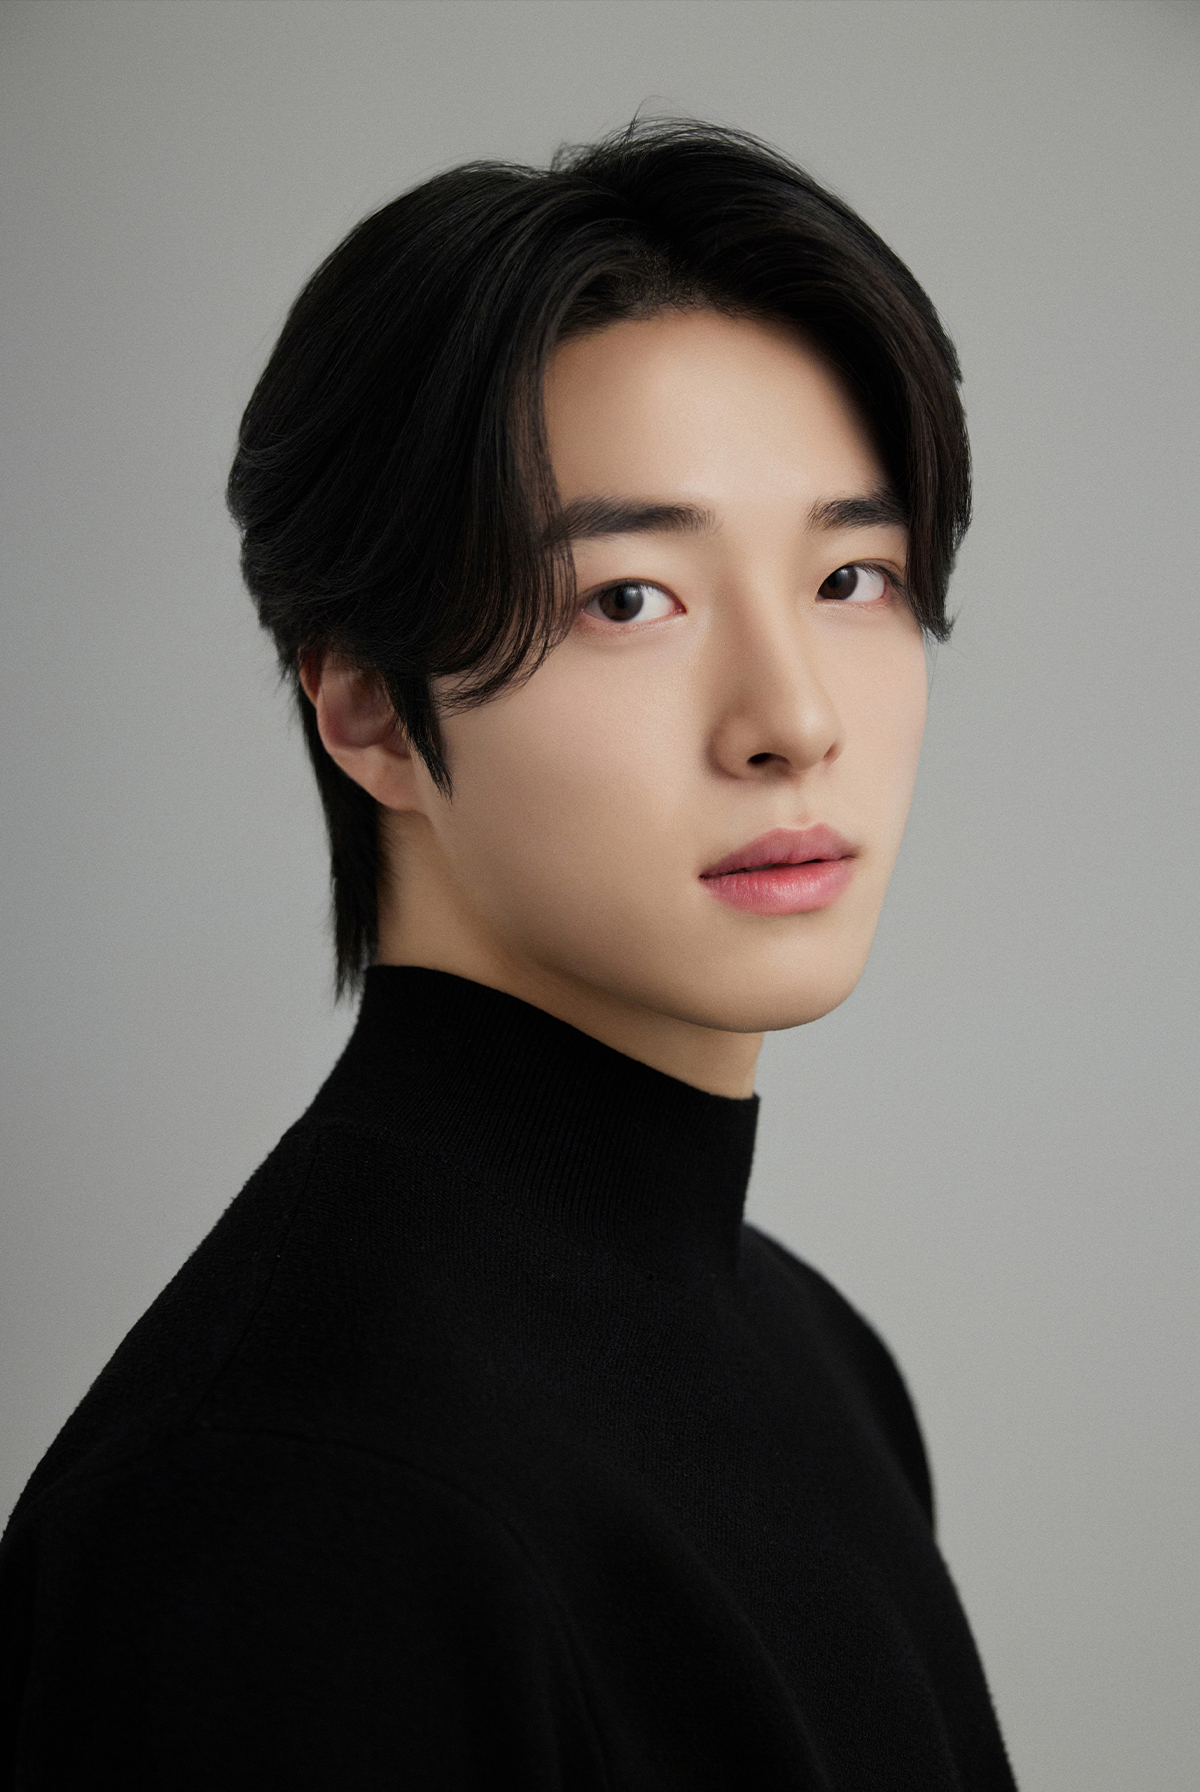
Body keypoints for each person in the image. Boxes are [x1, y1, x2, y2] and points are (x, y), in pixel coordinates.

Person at [0, 121, 1016, 1788]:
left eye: (853, 576)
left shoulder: (816, 1357)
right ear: (366, 708)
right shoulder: (291, 1503)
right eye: (629, 600)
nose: (793, 718)